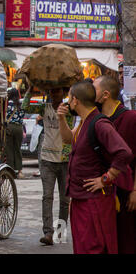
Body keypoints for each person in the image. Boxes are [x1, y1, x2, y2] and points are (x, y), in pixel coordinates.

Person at [57, 80, 133, 254]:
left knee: (94, 248)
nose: (68, 101)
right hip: (82, 198)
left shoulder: (99, 123)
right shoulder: (85, 121)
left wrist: (106, 178)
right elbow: (69, 139)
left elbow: (125, 153)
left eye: (69, 96)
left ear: (75, 100)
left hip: (95, 201)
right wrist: (61, 118)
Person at [22, 85, 72, 245]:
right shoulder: (44, 108)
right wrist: (30, 88)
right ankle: (48, 233)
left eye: (57, 90)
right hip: (47, 159)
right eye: (51, 90)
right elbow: (25, 106)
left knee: (65, 201)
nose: (54, 93)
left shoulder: (69, 109)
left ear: (63, 93)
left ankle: (60, 232)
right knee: (47, 196)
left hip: (65, 159)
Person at [93, 75, 136, 254]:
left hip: (126, 192)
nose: (90, 91)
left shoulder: (131, 118)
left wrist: (135, 190)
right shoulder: (96, 120)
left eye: (93, 88)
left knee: (126, 242)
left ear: (105, 95)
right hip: (102, 192)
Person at [6, 88, 25, 179]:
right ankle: (20, 171)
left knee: (9, 149)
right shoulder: (21, 104)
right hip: (19, 128)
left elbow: (5, 115)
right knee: (17, 149)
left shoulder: (8, 103)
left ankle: (11, 170)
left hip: (10, 127)